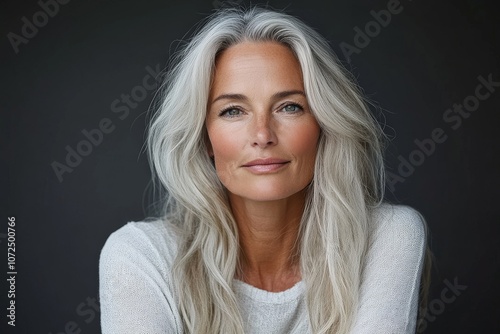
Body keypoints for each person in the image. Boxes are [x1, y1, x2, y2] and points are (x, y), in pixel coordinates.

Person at [99, 6, 430, 334]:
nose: (262, 135)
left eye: (289, 107)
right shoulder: (140, 256)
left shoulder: (388, 236)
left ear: (323, 125)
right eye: (232, 111)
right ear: (205, 139)